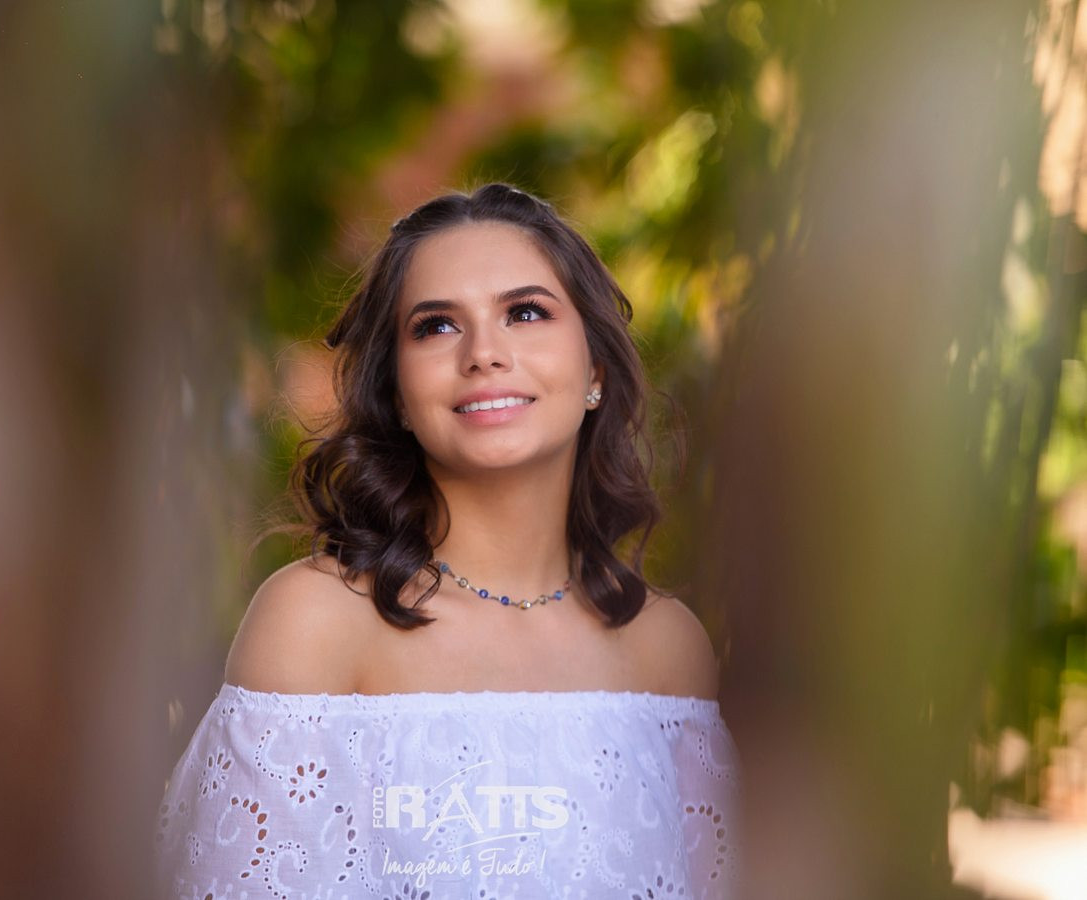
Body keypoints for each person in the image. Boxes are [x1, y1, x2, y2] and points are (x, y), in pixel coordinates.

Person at [153, 183, 742, 898]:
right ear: (397, 393)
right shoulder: (316, 623)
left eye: (525, 312)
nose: (484, 353)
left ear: (594, 370)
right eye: (435, 326)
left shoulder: (666, 648)